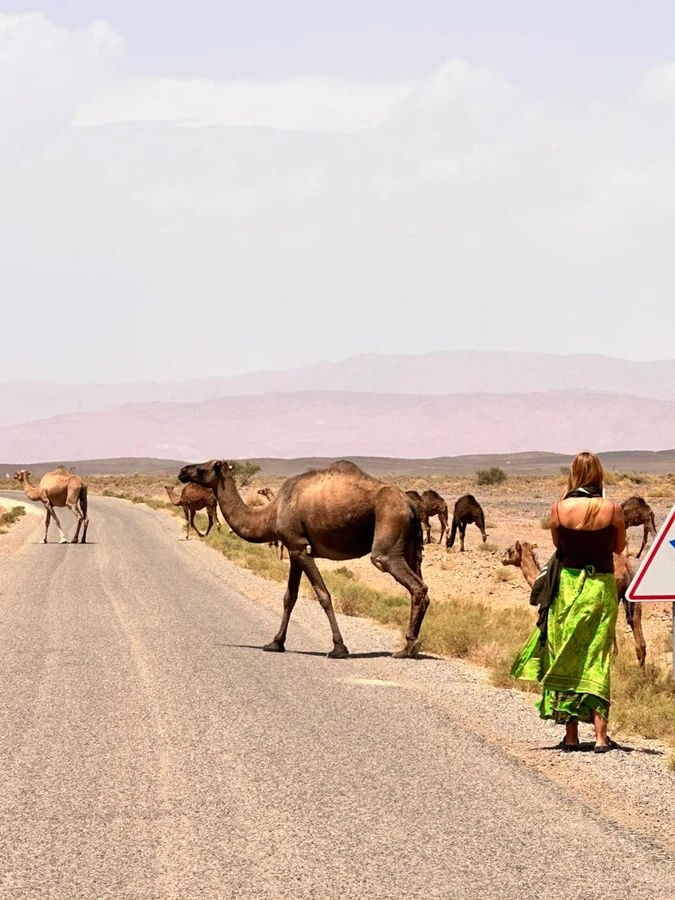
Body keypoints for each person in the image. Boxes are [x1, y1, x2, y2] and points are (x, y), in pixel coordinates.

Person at [511, 451, 626, 753]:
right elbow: (619, 547)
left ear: (573, 474)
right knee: (596, 657)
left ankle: (572, 735)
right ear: (599, 474)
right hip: (600, 589)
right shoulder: (613, 509)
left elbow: (558, 545)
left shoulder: (559, 510)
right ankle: (601, 737)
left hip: (568, 588)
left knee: (566, 654)